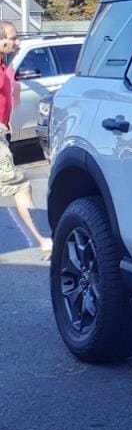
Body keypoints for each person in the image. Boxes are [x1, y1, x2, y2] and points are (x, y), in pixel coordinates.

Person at [0, 21, 52, 258]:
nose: (17, 41)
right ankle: (44, 240)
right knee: (21, 187)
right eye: (13, 37)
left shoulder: (3, 66)